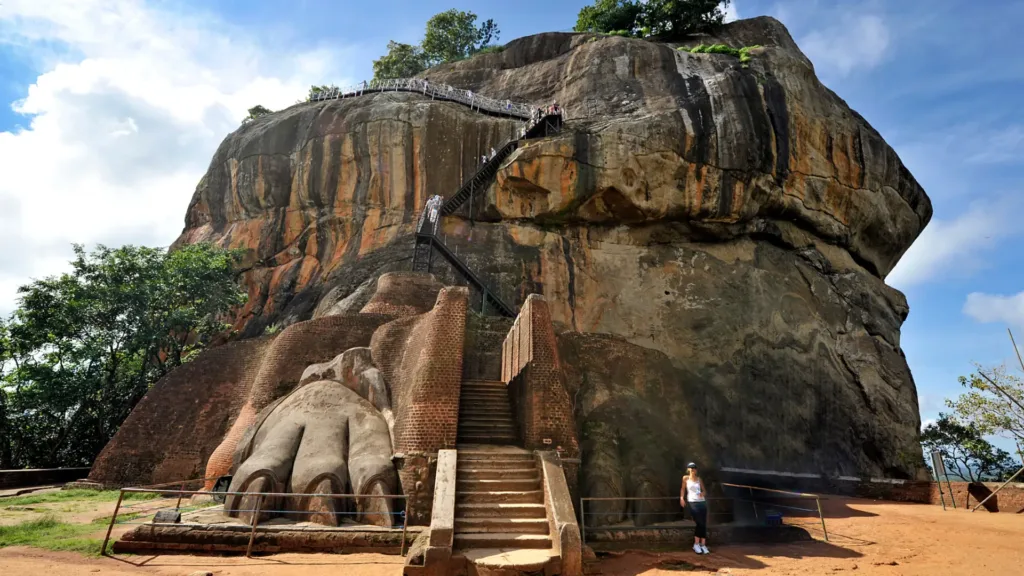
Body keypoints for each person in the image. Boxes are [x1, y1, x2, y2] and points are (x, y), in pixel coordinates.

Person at [681, 462, 709, 554]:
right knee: (699, 522)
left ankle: (703, 544)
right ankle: (696, 544)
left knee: (703, 523)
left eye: (694, 468)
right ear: (688, 469)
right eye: (691, 468)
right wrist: (681, 498)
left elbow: (704, 490)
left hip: (701, 501)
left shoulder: (699, 479)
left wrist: (702, 493)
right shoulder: (685, 478)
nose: (693, 470)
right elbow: (683, 489)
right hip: (692, 502)